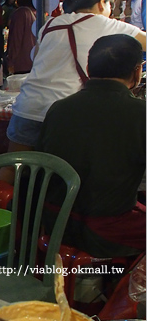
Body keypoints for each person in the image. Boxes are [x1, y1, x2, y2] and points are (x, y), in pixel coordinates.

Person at [1, 0, 146, 178]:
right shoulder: (108, 24)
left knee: (11, 167)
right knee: (61, 177)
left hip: (27, 106)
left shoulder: (51, 24)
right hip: (64, 114)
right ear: (102, 3)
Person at [36, 34, 145, 257]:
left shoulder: (59, 108)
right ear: (137, 71)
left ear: (87, 66)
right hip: (104, 231)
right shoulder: (140, 113)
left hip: (54, 222)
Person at [6, 0, 38, 74]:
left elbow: (16, 40)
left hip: (21, 65)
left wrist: (10, 61)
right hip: (34, 63)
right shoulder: (37, 13)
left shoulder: (21, 13)